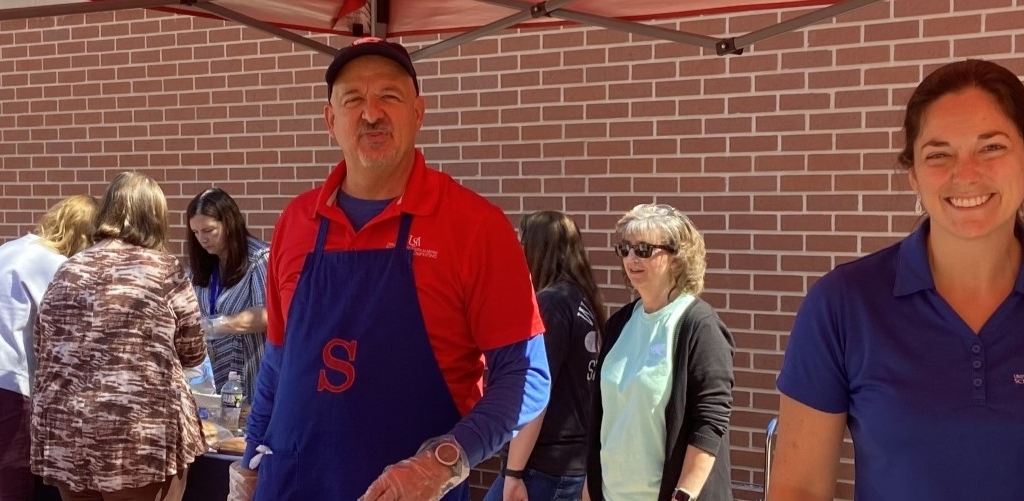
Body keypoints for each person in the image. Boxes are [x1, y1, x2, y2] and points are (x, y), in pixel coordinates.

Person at [768, 59, 1024, 501]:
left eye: (991, 148)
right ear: (912, 173)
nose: (965, 174)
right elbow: (799, 488)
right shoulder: (843, 304)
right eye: (939, 154)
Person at [233, 37, 551, 501]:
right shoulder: (295, 222)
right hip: (291, 485)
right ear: (331, 120)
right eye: (353, 100)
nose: (371, 113)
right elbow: (279, 365)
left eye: (389, 96)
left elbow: (527, 375)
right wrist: (247, 466)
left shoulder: (477, 228)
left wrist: (445, 461)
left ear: (418, 112)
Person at [31, 172, 206, 501]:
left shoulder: (68, 268)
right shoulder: (164, 270)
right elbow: (193, 351)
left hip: (67, 427)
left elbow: (43, 344)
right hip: (137, 432)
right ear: (155, 217)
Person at [0, 193, 98, 501]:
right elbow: (67, 334)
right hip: (0, 387)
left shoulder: (9, 248)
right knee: (13, 494)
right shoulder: (55, 264)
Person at [579, 204, 733, 501]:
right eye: (625, 249)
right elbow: (607, 420)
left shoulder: (699, 325)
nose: (631, 259)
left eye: (644, 249)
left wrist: (682, 495)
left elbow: (710, 424)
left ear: (677, 258)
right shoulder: (619, 324)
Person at [488, 211, 605, 501]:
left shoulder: (551, 304)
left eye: (522, 241)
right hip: (567, 462)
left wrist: (513, 472)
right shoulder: (581, 300)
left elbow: (535, 392)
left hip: (542, 466)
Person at [184, 187, 272, 399]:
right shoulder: (201, 267)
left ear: (229, 223)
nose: (202, 239)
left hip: (250, 377)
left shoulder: (259, 258)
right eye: (195, 233)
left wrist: (216, 324)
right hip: (210, 381)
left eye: (208, 230)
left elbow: (269, 314)